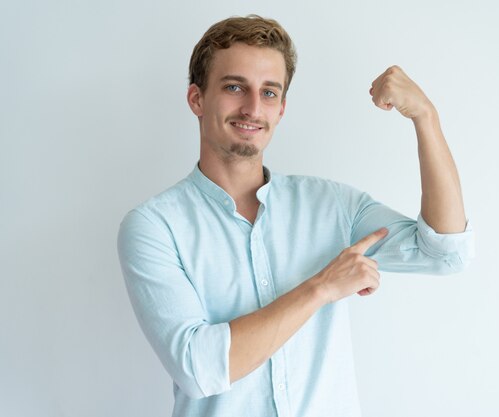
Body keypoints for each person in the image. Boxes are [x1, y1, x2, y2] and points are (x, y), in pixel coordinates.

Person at [117, 14, 474, 417]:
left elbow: (445, 253)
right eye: (235, 87)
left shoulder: (334, 207)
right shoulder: (153, 227)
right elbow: (200, 368)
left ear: (282, 108)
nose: (253, 108)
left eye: (269, 93)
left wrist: (426, 117)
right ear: (197, 99)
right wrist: (322, 286)